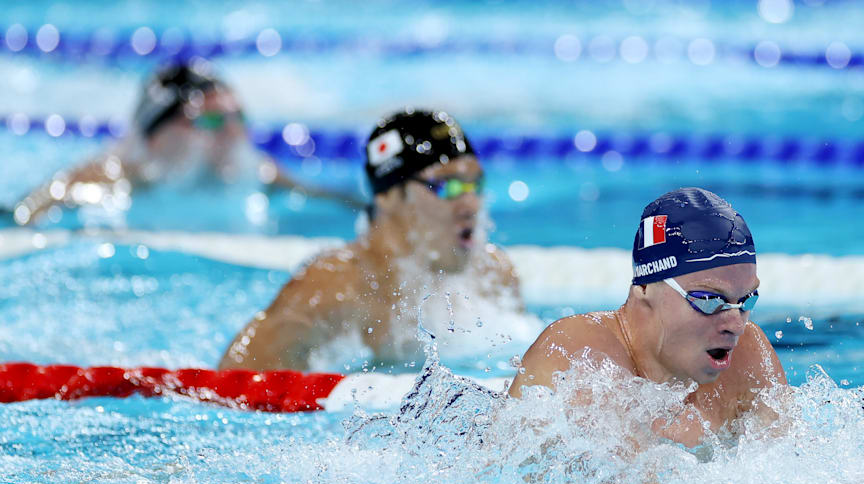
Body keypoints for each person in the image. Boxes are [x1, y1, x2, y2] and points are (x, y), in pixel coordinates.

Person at [219, 109, 523, 372]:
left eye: (475, 184)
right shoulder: (335, 287)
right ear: (388, 195)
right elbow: (234, 382)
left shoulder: (493, 276)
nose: (470, 203)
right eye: (446, 186)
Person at [508, 187, 784, 449]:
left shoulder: (748, 356)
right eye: (709, 301)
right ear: (644, 287)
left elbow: (791, 470)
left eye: (747, 300)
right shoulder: (580, 354)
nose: (736, 325)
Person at [12, 59, 361, 226]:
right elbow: (23, 218)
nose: (230, 133)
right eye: (208, 120)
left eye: (237, 118)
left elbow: (342, 205)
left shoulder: (257, 172)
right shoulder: (117, 175)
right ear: (156, 136)